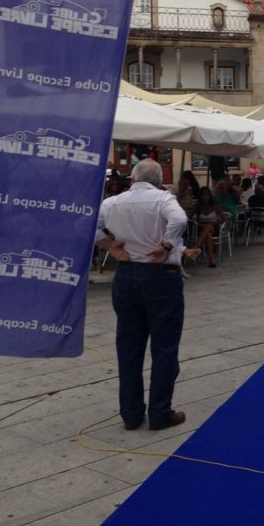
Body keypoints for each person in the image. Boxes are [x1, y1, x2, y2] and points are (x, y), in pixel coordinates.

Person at [95, 159, 188, 432]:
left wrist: (110, 245)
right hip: (160, 275)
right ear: (159, 180)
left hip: (125, 274)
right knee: (165, 348)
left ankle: (131, 414)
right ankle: (160, 413)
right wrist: (166, 244)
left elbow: (89, 225)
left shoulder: (113, 202)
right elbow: (180, 219)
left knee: (129, 348)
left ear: (133, 179)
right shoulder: (163, 199)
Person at [192, 186, 225, 266]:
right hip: (200, 228)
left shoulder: (215, 207)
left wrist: (213, 223)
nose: (205, 196)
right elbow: (189, 217)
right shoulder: (197, 207)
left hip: (214, 227)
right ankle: (211, 260)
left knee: (208, 227)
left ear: (210, 196)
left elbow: (223, 219)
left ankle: (194, 249)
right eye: (203, 195)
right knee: (208, 235)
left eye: (207, 194)